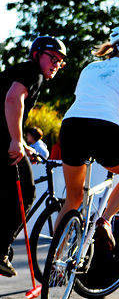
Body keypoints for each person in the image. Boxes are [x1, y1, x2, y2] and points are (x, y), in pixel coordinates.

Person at [55, 25, 119, 251]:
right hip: (105, 130)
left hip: (71, 126)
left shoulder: (89, 68)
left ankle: (54, 262)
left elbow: (88, 101)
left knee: (73, 199)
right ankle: (105, 219)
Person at [0, 36, 67, 277]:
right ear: (37, 54)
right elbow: (12, 99)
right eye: (52, 58)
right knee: (26, 192)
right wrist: (17, 140)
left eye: (60, 62)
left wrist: (22, 144)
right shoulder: (32, 73)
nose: (56, 64)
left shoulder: (20, 71)